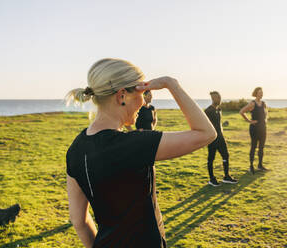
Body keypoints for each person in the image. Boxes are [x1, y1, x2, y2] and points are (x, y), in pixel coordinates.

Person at [65, 58, 216, 247]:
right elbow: (206, 133)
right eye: (143, 93)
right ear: (121, 96)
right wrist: (171, 84)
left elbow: (78, 220)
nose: (144, 103)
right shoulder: (134, 144)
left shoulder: (75, 149)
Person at [204, 91, 238, 186]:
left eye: (220, 97)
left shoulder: (219, 110)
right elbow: (204, 125)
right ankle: (212, 179)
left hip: (221, 138)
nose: (219, 99)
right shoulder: (208, 111)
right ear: (213, 99)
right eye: (217, 98)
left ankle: (226, 176)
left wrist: (222, 134)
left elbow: (219, 124)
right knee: (211, 159)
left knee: (226, 155)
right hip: (212, 139)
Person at [239, 87, 268, 174]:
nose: (261, 94)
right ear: (256, 93)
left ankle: (260, 165)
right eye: (259, 92)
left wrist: (265, 120)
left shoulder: (263, 103)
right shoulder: (252, 103)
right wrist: (249, 121)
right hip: (254, 128)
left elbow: (266, 113)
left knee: (261, 147)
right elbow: (241, 112)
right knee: (253, 146)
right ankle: (251, 166)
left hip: (263, 128)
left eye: (262, 92)